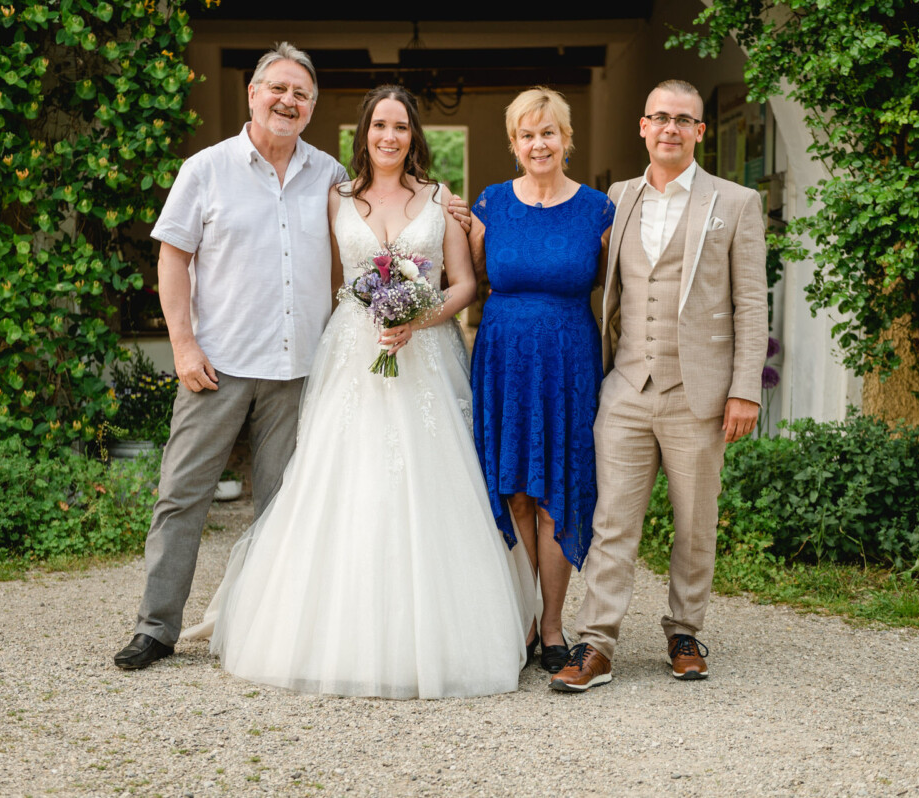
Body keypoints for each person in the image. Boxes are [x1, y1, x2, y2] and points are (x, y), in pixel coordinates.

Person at [182, 85, 534, 699]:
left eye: (400, 126)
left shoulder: (439, 200)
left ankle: (445, 635)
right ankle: (329, 631)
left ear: (414, 135)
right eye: (379, 126)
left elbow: (465, 284)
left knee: (431, 485)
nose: (389, 137)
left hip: (424, 355)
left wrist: (419, 317)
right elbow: (327, 279)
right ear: (364, 134)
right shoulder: (334, 198)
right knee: (339, 478)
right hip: (352, 352)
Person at [113, 42, 348, 671]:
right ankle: (156, 627)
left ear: (313, 106)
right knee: (182, 495)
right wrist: (182, 346)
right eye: (277, 88)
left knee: (282, 505)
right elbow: (173, 258)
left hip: (298, 369)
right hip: (215, 366)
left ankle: (267, 630)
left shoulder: (327, 174)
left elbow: (377, 217)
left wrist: (447, 207)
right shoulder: (205, 169)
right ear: (252, 93)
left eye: (301, 93)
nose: (287, 101)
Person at [550, 79, 767, 691]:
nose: (670, 128)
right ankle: (597, 644)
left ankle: (685, 632)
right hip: (624, 385)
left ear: (701, 132)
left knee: (695, 521)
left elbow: (752, 302)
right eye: (659, 118)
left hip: (696, 390)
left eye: (683, 120)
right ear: (642, 127)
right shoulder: (615, 198)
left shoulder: (737, 202)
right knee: (611, 521)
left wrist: (744, 388)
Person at [468, 88, 614, 673]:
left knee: (559, 494)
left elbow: (609, 283)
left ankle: (552, 625)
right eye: (527, 135)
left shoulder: (600, 210)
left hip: (568, 362)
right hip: (503, 359)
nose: (538, 144)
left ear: (566, 139)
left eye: (548, 133)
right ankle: (522, 617)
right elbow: (469, 275)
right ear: (513, 144)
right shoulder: (490, 205)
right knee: (516, 492)